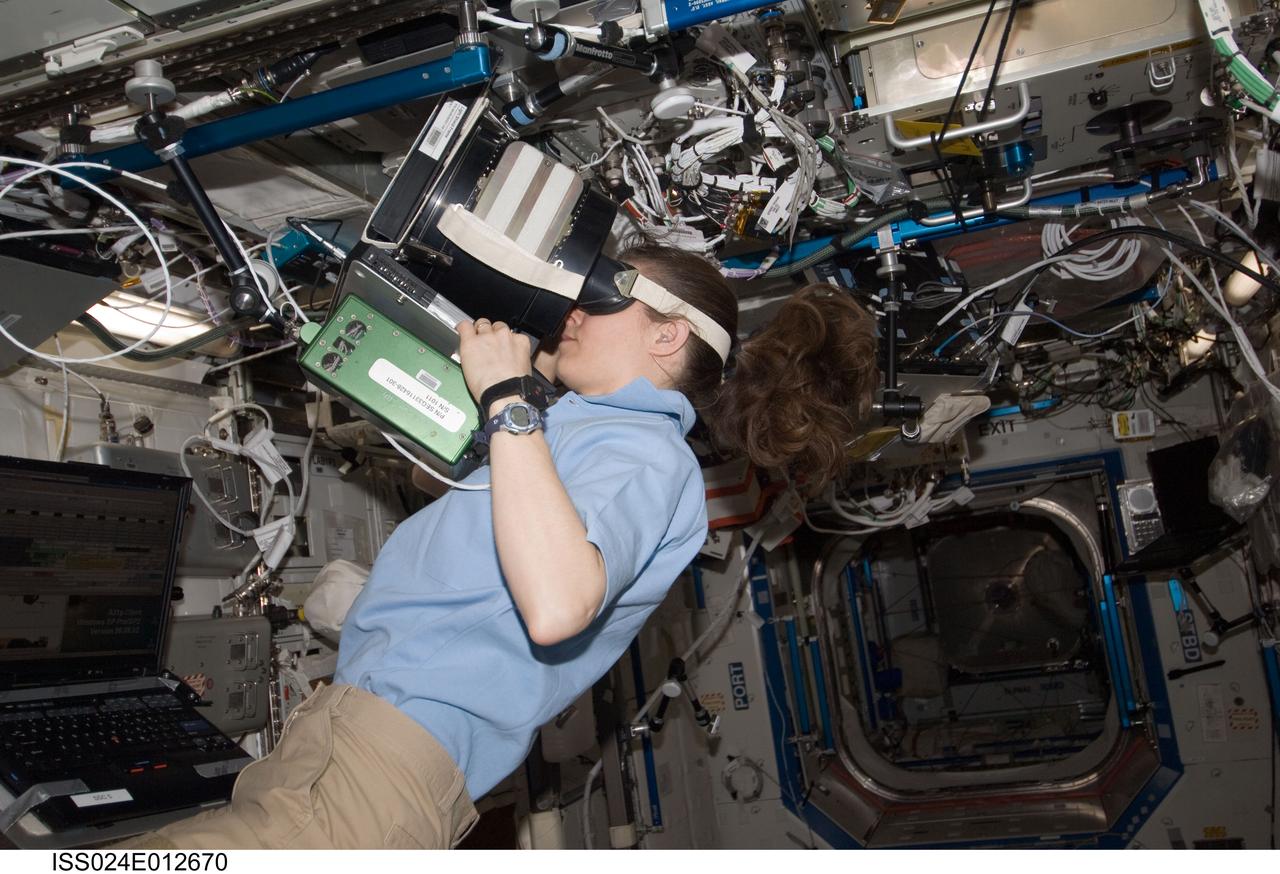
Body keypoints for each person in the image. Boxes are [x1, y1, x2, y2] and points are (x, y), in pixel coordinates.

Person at [124, 243, 879, 849]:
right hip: (354, 733)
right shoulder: (578, 430)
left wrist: (509, 401)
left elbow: (556, 605)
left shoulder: (650, 456)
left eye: (606, 295)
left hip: (389, 760)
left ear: (667, 332)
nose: (576, 310)